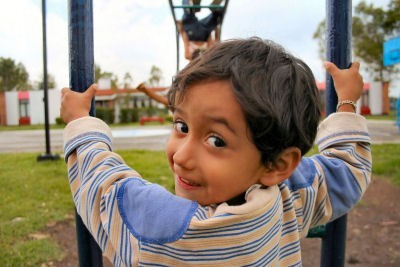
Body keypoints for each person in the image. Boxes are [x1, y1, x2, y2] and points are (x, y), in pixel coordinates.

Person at [60, 37, 371, 266]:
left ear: (278, 164)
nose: (180, 157)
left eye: (216, 141)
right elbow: (346, 169)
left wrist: (81, 124)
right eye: (181, 126)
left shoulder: (173, 231)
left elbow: (103, 190)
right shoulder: (290, 196)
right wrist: (346, 102)